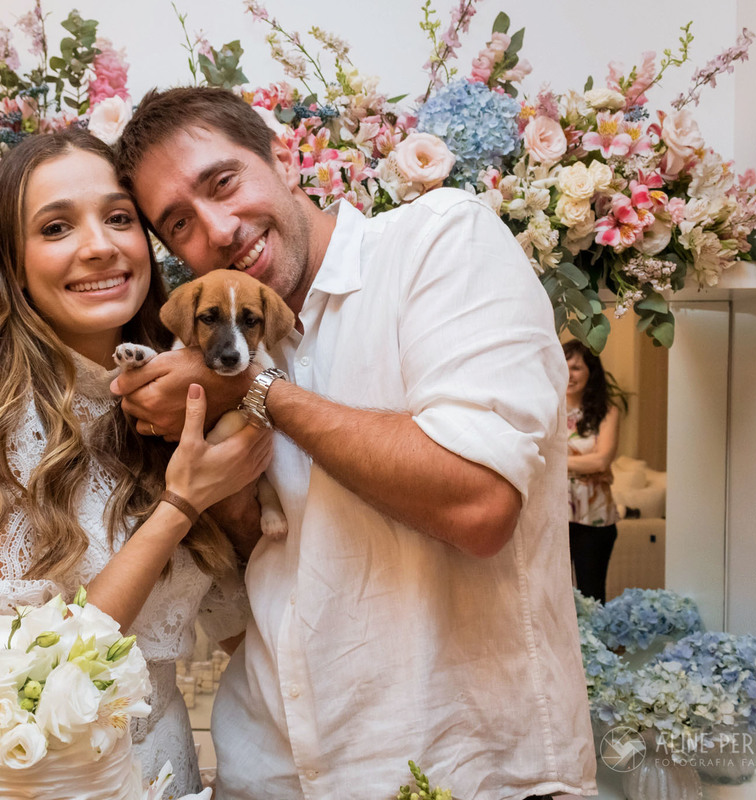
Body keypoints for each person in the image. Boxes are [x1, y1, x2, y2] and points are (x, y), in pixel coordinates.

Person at [111, 87, 597, 800]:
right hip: (268, 766)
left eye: (223, 182)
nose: (215, 229)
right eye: (178, 222)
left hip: (466, 768)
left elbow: (480, 504)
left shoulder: (439, 242)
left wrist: (256, 393)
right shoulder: (218, 338)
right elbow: (265, 555)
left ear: (281, 154)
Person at [0, 127, 273, 798]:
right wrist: (180, 505)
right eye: (57, 227)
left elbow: (240, 611)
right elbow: (24, 670)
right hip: (46, 776)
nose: (99, 245)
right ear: (13, 261)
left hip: (169, 766)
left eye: (119, 219)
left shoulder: (176, 387)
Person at [564, 339, 626, 602]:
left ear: (591, 370)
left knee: (592, 597)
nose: (568, 374)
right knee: (555, 598)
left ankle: (593, 645)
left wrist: (556, 463)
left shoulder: (608, 411)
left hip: (595, 517)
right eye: (563, 366)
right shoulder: (546, 411)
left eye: (576, 368)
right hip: (554, 516)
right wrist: (584, 465)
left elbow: (602, 462)